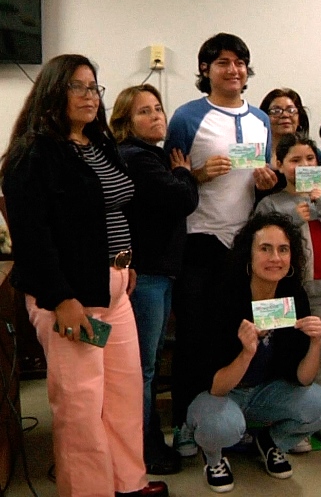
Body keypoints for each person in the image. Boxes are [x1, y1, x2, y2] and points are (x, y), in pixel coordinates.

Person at [1, 54, 168, 496]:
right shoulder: (31, 154)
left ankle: (128, 484)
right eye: (79, 87)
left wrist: (125, 264)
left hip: (114, 287)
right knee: (81, 408)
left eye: (94, 87)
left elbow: (113, 209)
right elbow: (32, 240)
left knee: (124, 396)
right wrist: (62, 299)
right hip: (70, 295)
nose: (90, 96)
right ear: (53, 92)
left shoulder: (99, 143)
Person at [165, 32, 278, 457]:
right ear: (205, 70)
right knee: (194, 336)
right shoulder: (186, 117)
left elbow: (260, 178)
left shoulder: (261, 120)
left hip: (243, 245)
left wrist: (267, 182)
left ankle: (229, 422)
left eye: (240, 62)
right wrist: (196, 175)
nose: (233, 70)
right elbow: (167, 182)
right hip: (199, 240)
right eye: (223, 62)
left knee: (240, 336)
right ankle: (184, 424)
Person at [187, 212, 321, 492]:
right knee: (224, 427)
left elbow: (303, 379)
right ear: (249, 254)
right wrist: (246, 353)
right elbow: (216, 386)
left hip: (264, 392)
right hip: (218, 393)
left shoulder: (293, 294)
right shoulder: (222, 295)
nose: (275, 258)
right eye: (265, 249)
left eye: (283, 249)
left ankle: (271, 443)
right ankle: (213, 457)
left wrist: (317, 343)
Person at [110, 84, 199, 475]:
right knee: (142, 368)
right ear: (126, 122)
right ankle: (143, 448)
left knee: (146, 364)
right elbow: (182, 200)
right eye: (144, 111)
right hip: (145, 275)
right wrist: (185, 174)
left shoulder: (150, 156)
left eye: (158, 108)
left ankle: (144, 443)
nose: (156, 116)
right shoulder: (137, 158)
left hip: (157, 273)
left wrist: (178, 173)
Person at [255, 132, 321, 448]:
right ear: (280, 165)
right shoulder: (271, 203)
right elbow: (258, 246)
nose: (304, 165)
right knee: (287, 354)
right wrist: (291, 219)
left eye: (310, 159)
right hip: (286, 294)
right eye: (295, 160)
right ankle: (292, 422)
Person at [259, 87, 321, 166]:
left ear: (300, 118)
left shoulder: (313, 154)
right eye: (276, 111)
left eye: (291, 110)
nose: (285, 115)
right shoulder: (256, 153)